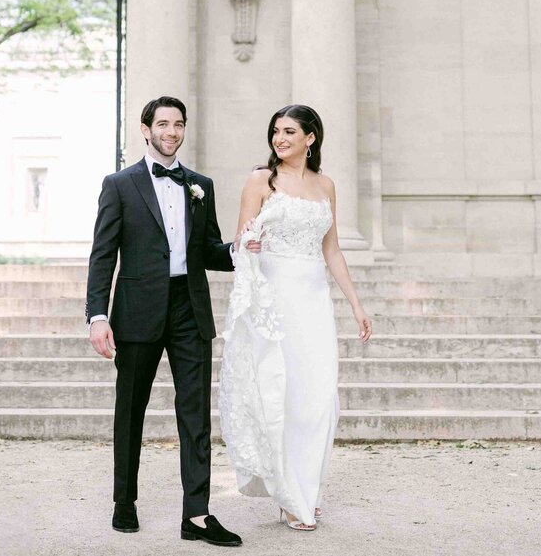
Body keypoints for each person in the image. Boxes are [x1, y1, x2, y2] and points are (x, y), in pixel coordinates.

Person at [85, 96, 243, 547]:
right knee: (130, 409)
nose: (172, 132)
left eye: (179, 124)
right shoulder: (119, 184)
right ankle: (124, 501)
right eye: (163, 124)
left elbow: (210, 249)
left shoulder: (200, 185)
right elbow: (103, 255)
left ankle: (196, 514)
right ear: (145, 128)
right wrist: (98, 314)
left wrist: (240, 249)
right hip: (136, 308)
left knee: (195, 415)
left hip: (189, 308)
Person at [218, 104, 373, 531]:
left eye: (289, 131)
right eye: (275, 131)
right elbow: (241, 237)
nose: (279, 139)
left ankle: (310, 488)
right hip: (274, 298)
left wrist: (356, 304)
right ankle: (289, 496)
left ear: (311, 137)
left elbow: (332, 249)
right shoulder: (260, 180)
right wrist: (249, 244)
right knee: (280, 394)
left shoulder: (326, 185)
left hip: (313, 300)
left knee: (317, 396)